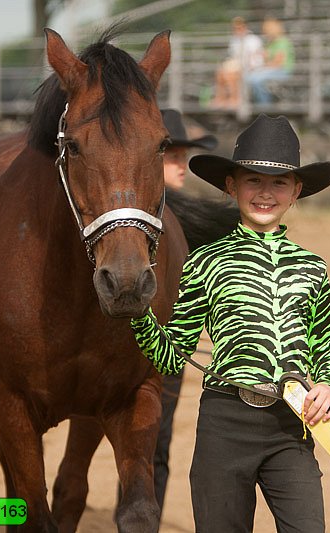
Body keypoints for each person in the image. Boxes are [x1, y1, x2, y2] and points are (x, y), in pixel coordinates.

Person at [131, 114, 330, 532]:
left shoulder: (312, 267)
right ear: (231, 186)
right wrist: (140, 315)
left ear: (296, 190)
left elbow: (326, 348)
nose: (266, 193)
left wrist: (329, 386)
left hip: (292, 425)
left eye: (279, 183)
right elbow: (172, 358)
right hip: (225, 425)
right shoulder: (204, 263)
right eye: (253, 180)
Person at [152, 108, 217, 511]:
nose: (181, 164)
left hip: (169, 353)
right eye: (171, 154)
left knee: (157, 446)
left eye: (183, 154)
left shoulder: (186, 217)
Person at [211, 17, 264, 109]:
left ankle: (235, 99)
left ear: (245, 27)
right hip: (237, 66)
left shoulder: (254, 40)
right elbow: (233, 57)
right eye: (235, 28)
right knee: (220, 73)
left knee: (230, 74)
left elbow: (257, 58)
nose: (237, 30)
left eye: (239, 27)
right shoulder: (234, 41)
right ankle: (220, 98)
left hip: (251, 67)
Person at [246, 18, 296, 105]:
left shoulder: (282, 42)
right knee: (247, 77)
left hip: (282, 71)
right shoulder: (271, 43)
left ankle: (264, 105)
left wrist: (261, 67)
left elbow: (278, 63)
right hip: (272, 70)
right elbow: (266, 58)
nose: (264, 34)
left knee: (255, 79)